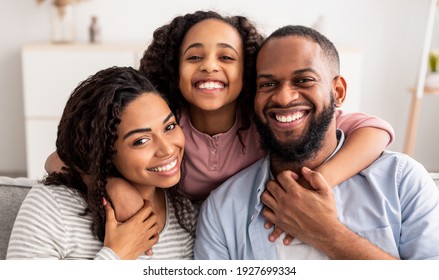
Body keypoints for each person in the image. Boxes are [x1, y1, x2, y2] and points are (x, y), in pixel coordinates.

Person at [45, 11, 394, 235]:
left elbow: (375, 130)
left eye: (226, 57)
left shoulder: (266, 120)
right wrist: (109, 183)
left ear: (249, 71)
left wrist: (319, 183)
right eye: (194, 57)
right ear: (174, 69)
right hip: (191, 233)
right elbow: (59, 158)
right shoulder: (167, 125)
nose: (210, 66)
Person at [194, 25, 439, 260]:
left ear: (339, 92)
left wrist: (328, 234)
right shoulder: (223, 210)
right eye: (268, 84)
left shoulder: (402, 182)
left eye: (304, 80)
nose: (283, 97)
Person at [7, 66, 195, 260]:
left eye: (169, 126)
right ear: (104, 151)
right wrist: (118, 255)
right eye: (140, 141)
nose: (168, 149)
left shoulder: (183, 214)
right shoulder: (53, 206)